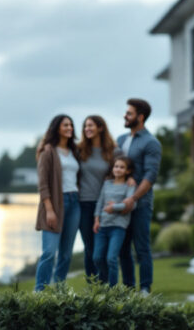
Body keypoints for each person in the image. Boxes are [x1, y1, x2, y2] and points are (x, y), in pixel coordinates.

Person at [112, 98, 161, 294]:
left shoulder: (152, 143)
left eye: (129, 113)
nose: (125, 115)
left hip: (140, 205)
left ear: (140, 117)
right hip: (121, 205)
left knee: (142, 248)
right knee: (123, 249)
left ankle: (145, 288)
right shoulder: (121, 140)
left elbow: (150, 176)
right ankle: (129, 288)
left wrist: (133, 199)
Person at [34, 114, 81, 291]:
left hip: (74, 202)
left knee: (66, 254)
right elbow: (43, 183)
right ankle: (40, 292)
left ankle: (59, 291)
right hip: (54, 204)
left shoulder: (74, 151)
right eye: (65, 125)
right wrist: (49, 210)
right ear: (57, 128)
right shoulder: (48, 151)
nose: (69, 128)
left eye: (71, 125)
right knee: (49, 253)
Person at [76, 115, 117, 281]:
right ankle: (93, 290)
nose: (87, 129)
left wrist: (130, 178)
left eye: (91, 125)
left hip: (104, 206)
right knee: (90, 248)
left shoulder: (113, 151)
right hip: (84, 203)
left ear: (100, 128)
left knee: (103, 250)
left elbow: (124, 168)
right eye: (85, 126)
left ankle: (107, 287)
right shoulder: (79, 150)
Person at [92, 155, 136, 286]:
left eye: (122, 167)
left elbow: (129, 205)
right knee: (97, 258)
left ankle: (113, 290)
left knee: (111, 258)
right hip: (103, 226)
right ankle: (103, 285)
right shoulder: (106, 184)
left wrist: (114, 207)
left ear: (127, 171)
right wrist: (96, 220)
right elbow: (100, 202)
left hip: (118, 227)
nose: (118, 169)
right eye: (116, 166)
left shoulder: (130, 185)